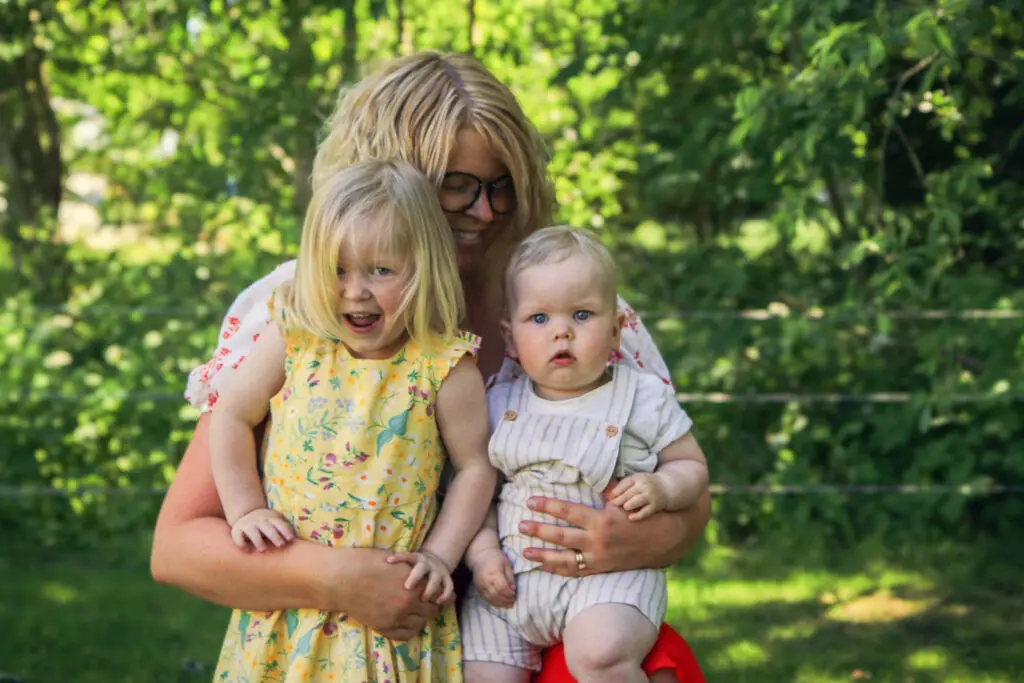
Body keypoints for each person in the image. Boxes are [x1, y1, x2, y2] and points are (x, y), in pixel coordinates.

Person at [150, 50, 710, 682]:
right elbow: (177, 547)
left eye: (501, 185)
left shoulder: (569, 303)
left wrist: (634, 541)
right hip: (377, 643)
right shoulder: (309, 308)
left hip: (560, 619)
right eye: (456, 185)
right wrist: (337, 578)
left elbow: (687, 490)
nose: (485, 211)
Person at [205, 159, 497, 681]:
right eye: (337, 270)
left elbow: (475, 468)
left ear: (424, 267)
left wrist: (439, 555)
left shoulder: (444, 366)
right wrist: (245, 509)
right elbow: (231, 413)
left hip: (390, 614)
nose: (355, 291)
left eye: (381, 271)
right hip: (289, 606)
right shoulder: (295, 337)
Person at [460, 227, 708, 683]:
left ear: (615, 331)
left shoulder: (642, 397)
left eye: (581, 314)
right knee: (480, 673)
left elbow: (691, 466)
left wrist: (662, 486)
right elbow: (477, 493)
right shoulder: (497, 403)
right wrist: (482, 553)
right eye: (539, 318)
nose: (561, 331)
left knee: (600, 656)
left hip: (607, 581)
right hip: (512, 584)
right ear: (510, 338)